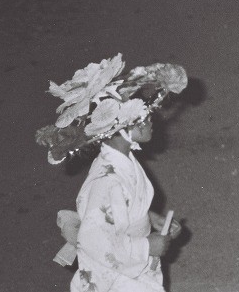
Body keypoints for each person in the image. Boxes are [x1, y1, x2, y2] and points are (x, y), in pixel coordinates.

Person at [36, 56, 189, 292]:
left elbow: (120, 207)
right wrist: (146, 247)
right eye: (143, 117)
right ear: (120, 129)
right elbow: (95, 241)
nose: (151, 120)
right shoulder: (107, 182)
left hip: (128, 268)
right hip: (115, 277)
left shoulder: (120, 162)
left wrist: (148, 217)